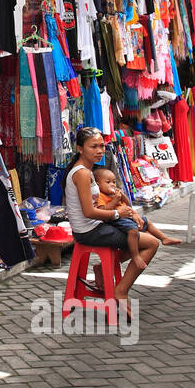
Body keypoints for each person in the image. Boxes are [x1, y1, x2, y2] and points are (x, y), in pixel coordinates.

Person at [63, 126, 159, 311]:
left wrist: (125, 210)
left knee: (140, 227)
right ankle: (121, 290)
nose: (99, 151)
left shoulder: (87, 171)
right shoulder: (82, 173)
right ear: (80, 148)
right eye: (93, 147)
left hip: (96, 226)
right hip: (89, 231)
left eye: (101, 146)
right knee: (152, 244)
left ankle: (104, 270)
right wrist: (117, 214)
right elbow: (89, 212)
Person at [92, 167, 182, 264]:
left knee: (147, 222)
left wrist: (122, 195)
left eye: (114, 182)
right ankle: (135, 255)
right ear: (98, 184)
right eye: (108, 182)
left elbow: (128, 204)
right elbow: (103, 210)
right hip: (116, 219)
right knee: (133, 231)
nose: (112, 185)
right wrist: (115, 201)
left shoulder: (114, 194)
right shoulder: (100, 195)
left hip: (127, 215)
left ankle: (164, 238)